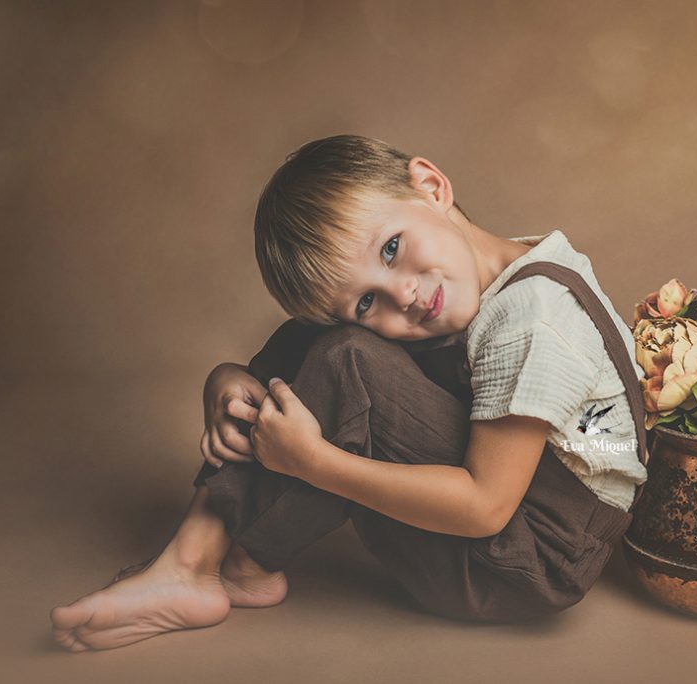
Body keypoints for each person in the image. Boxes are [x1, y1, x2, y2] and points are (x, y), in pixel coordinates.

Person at [50, 135, 648, 652]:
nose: (403, 294)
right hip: (516, 524)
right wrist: (231, 378)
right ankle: (200, 561)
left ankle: (221, 565)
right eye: (367, 299)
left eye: (391, 248)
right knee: (327, 339)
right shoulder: (496, 270)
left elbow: (484, 506)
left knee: (347, 359)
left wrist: (315, 464)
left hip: (523, 564)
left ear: (431, 186)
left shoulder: (532, 319)